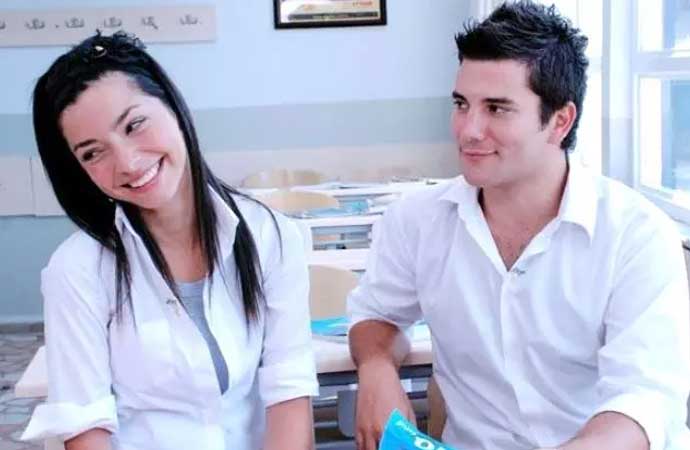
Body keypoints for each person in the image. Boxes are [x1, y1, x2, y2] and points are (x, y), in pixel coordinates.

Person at [347, 2, 690, 450]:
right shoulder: (416, 221)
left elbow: (643, 402)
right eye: (461, 104)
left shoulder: (637, 235)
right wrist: (376, 367)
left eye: (497, 108)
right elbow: (377, 313)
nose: (469, 130)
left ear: (560, 121)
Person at [21, 31, 318, 450]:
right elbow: (86, 426)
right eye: (92, 153)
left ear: (173, 107)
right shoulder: (77, 270)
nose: (127, 163)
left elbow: (289, 389)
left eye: (134, 125)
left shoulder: (270, 235)